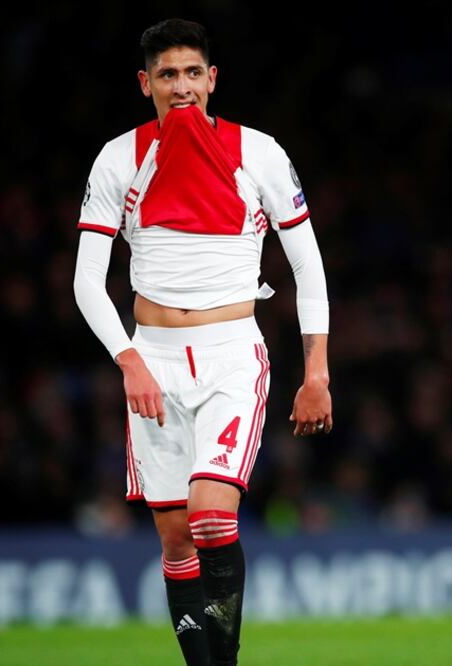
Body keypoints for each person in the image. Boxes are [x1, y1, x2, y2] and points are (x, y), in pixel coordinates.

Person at [72, 19, 332, 665]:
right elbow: (84, 281)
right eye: (167, 74)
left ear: (212, 79)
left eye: (193, 73)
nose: (181, 86)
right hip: (152, 358)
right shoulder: (118, 157)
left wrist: (316, 372)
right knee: (175, 543)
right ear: (145, 84)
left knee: (212, 518)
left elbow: (308, 266)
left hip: (229, 356)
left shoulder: (259, 153)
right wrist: (128, 359)